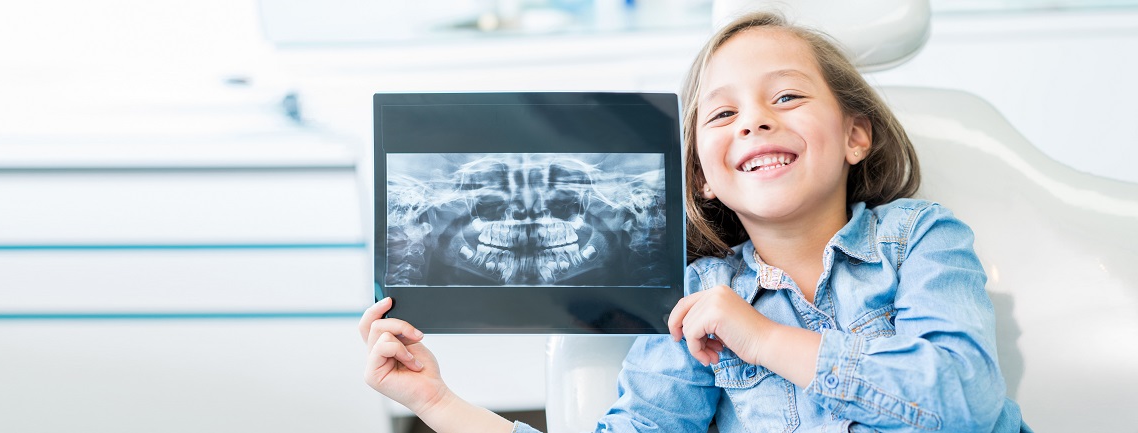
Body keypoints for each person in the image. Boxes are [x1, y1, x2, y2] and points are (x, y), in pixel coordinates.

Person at [357, 11, 1029, 432]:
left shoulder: (921, 241)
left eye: (787, 96)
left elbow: (965, 400)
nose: (756, 120)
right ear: (702, 175)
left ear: (857, 134)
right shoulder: (692, 300)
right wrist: (438, 401)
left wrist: (761, 337)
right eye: (721, 114)